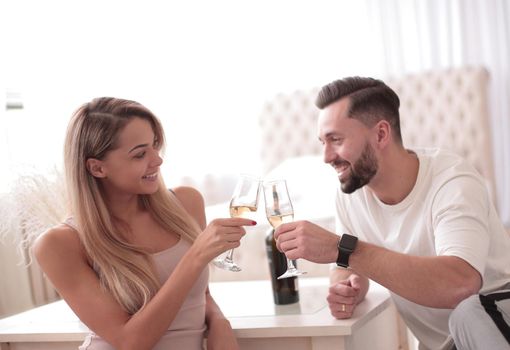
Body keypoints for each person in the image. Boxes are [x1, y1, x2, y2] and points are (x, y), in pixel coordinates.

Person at [274, 77, 510, 349]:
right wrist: (347, 287)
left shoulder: (452, 182)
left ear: (381, 134)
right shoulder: (352, 194)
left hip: (495, 323)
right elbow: (344, 266)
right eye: (322, 142)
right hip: (445, 345)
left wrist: (344, 250)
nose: (326, 156)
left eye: (335, 140)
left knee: (468, 313)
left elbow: (460, 284)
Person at [33, 97, 254, 350]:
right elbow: (130, 341)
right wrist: (195, 256)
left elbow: (199, 295)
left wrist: (219, 323)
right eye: (140, 154)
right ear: (97, 168)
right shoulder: (59, 243)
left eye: (154, 146)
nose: (157, 160)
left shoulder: (185, 203)